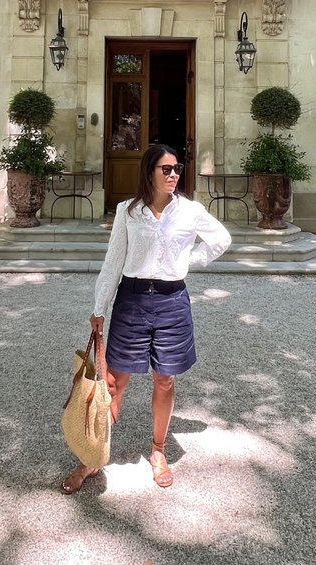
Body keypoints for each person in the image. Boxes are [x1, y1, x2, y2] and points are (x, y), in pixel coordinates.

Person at [61, 143, 231, 493]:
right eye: (165, 169)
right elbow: (113, 261)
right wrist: (99, 307)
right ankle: (92, 457)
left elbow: (221, 240)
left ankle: (158, 451)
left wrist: (187, 262)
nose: (173, 175)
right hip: (132, 299)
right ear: (149, 171)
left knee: (164, 380)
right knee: (112, 383)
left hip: (171, 301)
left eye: (177, 169)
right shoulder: (128, 211)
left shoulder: (190, 210)